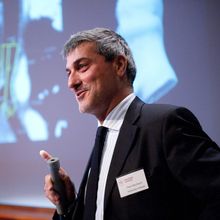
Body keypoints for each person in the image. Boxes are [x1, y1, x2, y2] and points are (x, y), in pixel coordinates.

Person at [40, 27, 220, 220]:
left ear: (119, 65)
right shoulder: (103, 139)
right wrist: (67, 204)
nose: (71, 82)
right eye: (68, 72)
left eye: (82, 67)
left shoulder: (165, 124)